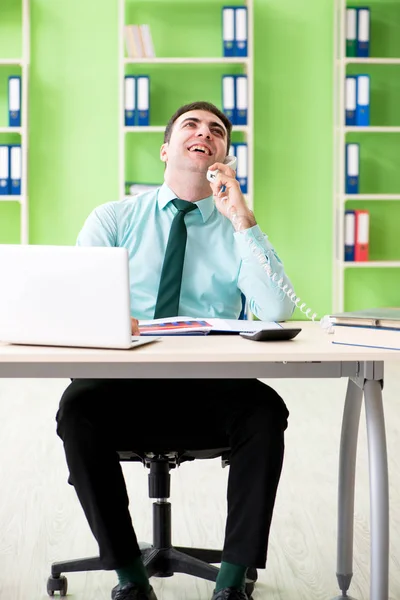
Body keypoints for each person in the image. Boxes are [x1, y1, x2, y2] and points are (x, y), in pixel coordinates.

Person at [56, 101, 295, 600]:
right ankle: (129, 575)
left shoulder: (237, 229)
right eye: (191, 125)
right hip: (122, 383)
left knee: (264, 411)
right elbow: (77, 303)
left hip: (210, 386)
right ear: (167, 148)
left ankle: (231, 582)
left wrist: (242, 218)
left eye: (217, 131)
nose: (204, 133)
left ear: (223, 155)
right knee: (77, 411)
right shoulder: (114, 219)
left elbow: (276, 308)